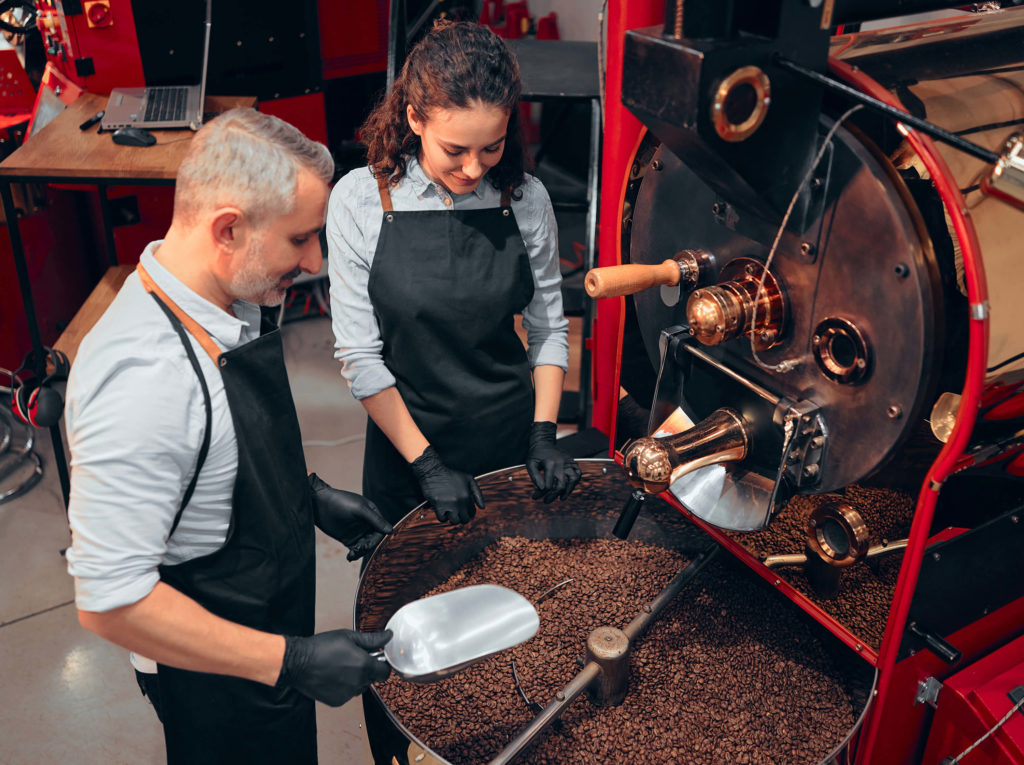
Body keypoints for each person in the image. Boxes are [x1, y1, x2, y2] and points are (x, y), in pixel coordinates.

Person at [64, 108, 394, 764]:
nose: (314, 260)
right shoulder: (144, 378)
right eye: (300, 239)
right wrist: (291, 659)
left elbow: (212, 455)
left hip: (266, 637)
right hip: (215, 681)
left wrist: (307, 496)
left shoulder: (224, 299)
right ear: (228, 228)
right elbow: (109, 599)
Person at [327, 20, 582, 532]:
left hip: (509, 436)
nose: (473, 169)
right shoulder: (359, 199)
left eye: (492, 147)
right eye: (455, 150)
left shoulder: (525, 199)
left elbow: (549, 329)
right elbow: (360, 357)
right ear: (415, 119)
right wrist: (427, 465)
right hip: (408, 444)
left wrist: (543, 434)